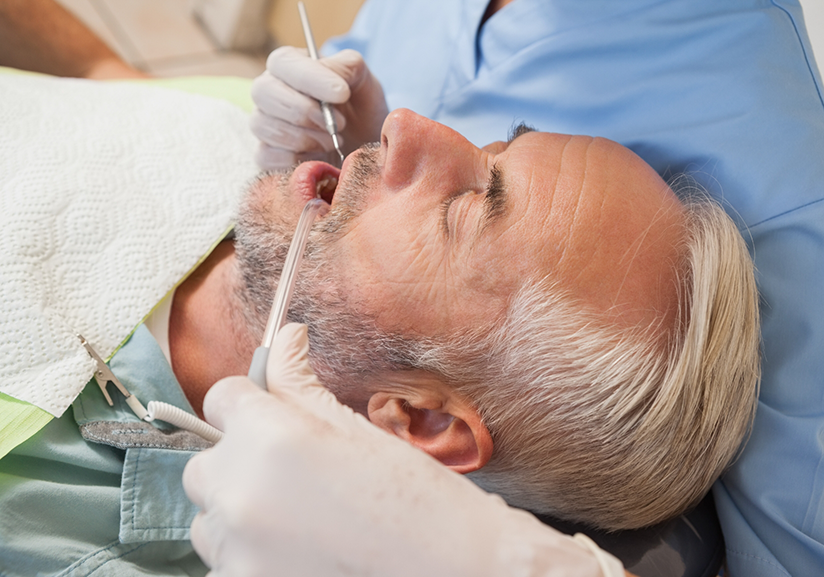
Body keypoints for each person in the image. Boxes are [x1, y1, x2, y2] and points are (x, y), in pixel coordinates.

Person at [221, 0, 824, 575]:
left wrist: (504, 563)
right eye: (495, 147)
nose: (401, 127)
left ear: (422, 418)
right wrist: (346, 149)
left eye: (464, 209)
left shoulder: (788, 183)